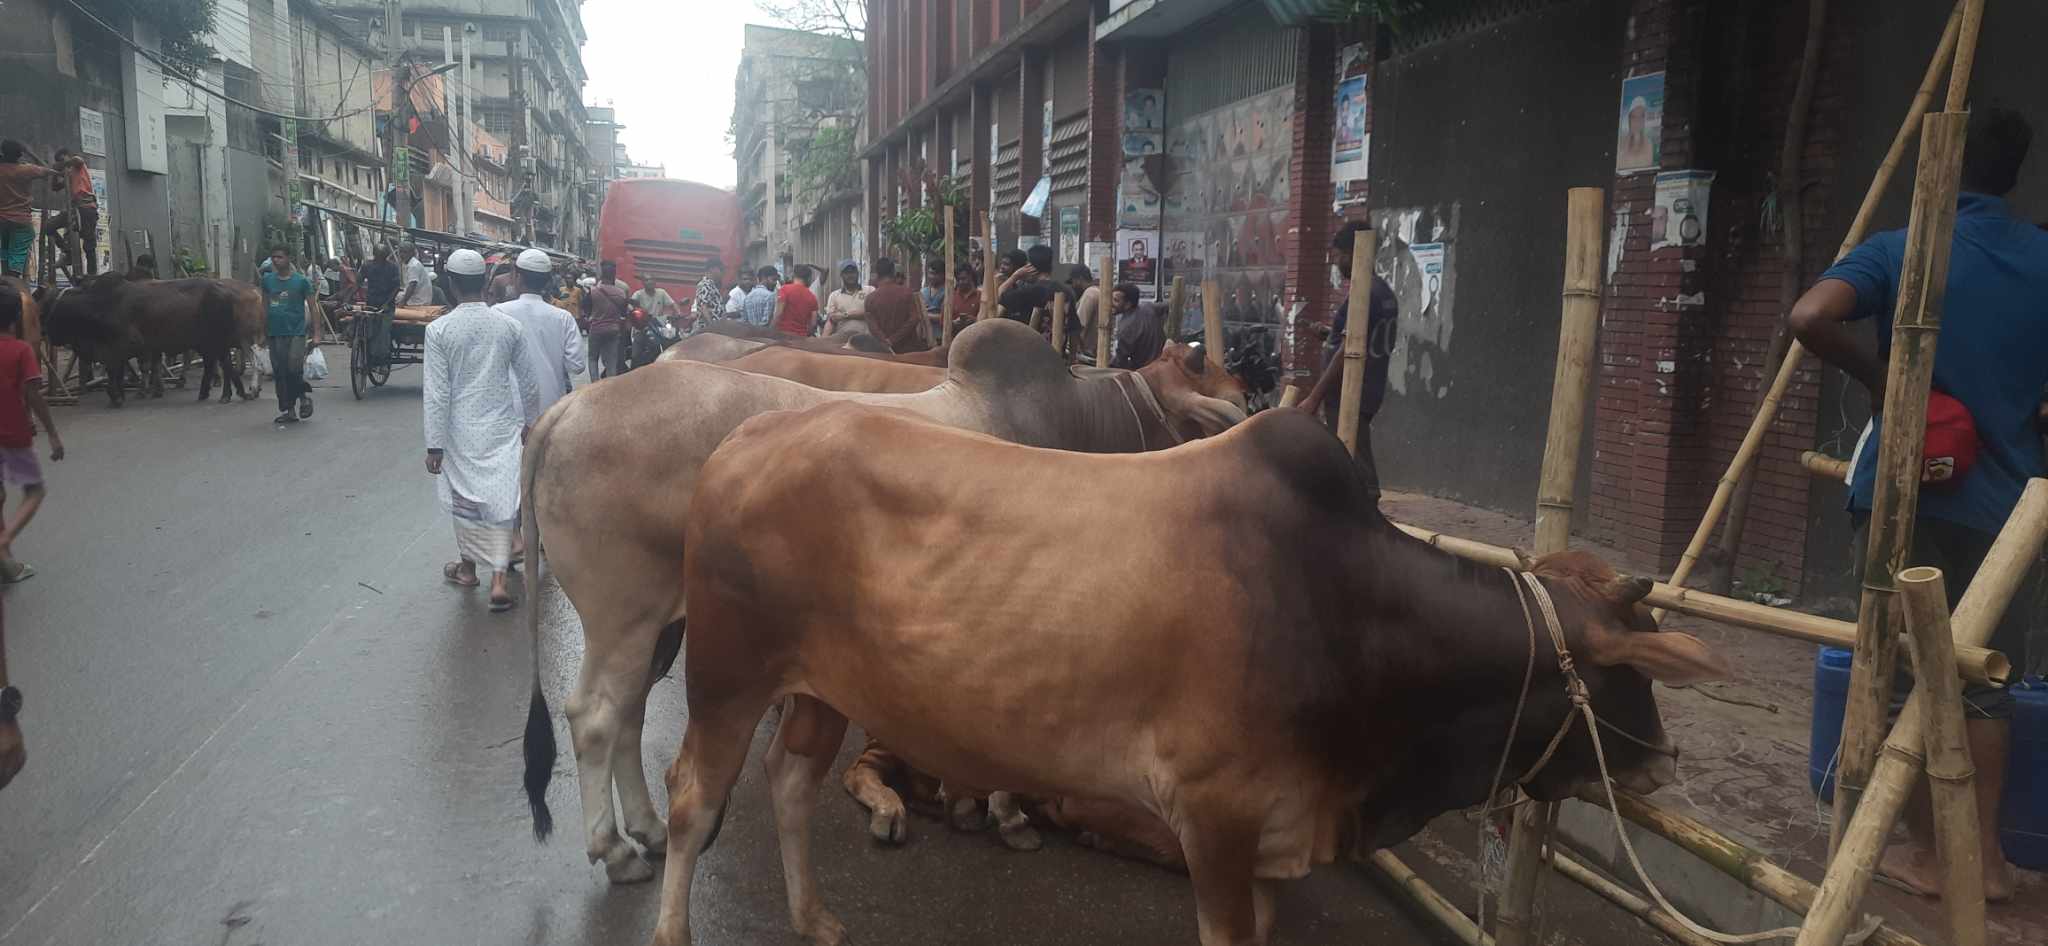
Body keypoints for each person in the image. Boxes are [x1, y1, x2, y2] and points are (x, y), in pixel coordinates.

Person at [1789, 107, 2044, 902]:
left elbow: (1809, 316)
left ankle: (1929, 856)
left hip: (1906, 493)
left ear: (1936, 168)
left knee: (1901, 671)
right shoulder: (2042, 258)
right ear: (2011, 175)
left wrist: (1886, 382)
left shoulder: (1901, 249)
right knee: (1984, 681)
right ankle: (1986, 864)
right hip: (2007, 509)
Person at [423, 248, 540, 612]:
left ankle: (468, 569)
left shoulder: (439, 330)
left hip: (460, 430)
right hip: (502, 426)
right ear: (485, 282)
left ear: (451, 284)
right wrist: (531, 423)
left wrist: (434, 444)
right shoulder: (508, 326)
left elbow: (437, 392)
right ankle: (499, 581)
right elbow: (528, 381)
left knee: (466, 502)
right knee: (502, 504)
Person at [1310, 221, 1401, 480]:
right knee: (1348, 456)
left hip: (1349, 391)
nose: (1336, 262)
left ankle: (1368, 500)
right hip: (1368, 388)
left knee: (1354, 461)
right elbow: (1363, 338)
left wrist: (1314, 397)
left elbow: (1348, 350)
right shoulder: (1383, 291)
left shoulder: (1365, 294)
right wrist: (1330, 335)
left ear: (1352, 254)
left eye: (1338, 256)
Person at [0, 288, 63, 583]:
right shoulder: (22, 350)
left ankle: (6, 562)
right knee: (35, 491)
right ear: (17, 319)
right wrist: (53, 434)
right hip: (13, 435)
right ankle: (3, 543)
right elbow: (34, 396)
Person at [494, 248, 583, 417]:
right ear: (547, 281)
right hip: (552, 411)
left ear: (518, 277)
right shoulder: (563, 317)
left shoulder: (498, 312)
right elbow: (577, 365)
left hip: (510, 410)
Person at [260, 246, 322, 424]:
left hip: (296, 332)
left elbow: (313, 308)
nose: (276, 260)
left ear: (288, 258)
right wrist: (262, 332)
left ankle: (303, 397)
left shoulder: (301, 282)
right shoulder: (267, 281)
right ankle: (289, 410)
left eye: (279, 257)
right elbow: (265, 307)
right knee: (280, 372)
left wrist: (317, 334)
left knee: (293, 369)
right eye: (273, 257)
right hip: (274, 333)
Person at [48, 148, 97, 277]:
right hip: (73, 209)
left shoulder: (79, 166)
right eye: (59, 161)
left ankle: (92, 276)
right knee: (49, 226)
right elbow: (55, 187)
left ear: (68, 156)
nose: (61, 163)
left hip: (86, 207)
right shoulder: (68, 173)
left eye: (62, 159)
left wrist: (61, 165)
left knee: (89, 244)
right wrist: (55, 173)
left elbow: (76, 160)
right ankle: (67, 252)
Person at [580, 260, 632, 379]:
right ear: (614, 275)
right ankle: (610, 385)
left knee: (593, 358)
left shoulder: (593, 291)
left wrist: (592, 316)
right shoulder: (621, 293)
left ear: (602, 275)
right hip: (614, 330)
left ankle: (595, 384)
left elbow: (585, 308)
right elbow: (624, 313)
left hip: (596, 329)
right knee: (611, 361)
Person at [0, 141, 45, 278]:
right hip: (21, 220)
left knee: (5, 252)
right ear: (20, 154)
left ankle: (6, 281)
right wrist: (30, 152)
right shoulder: (27, 169)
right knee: (17, 255)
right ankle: (13, 281)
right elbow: (46, 169)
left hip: (2, 220)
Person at [862, 257, 926, 352]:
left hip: (884, 352)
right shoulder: (907, 293)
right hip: (909, 351)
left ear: (877, 275)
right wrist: (893, 339)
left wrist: (886, 341)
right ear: (893, 273)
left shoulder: (870, 299)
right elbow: (914, 319)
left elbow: (873, 327)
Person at [995, 243, 1058, 324]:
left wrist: (1014, 276)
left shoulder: (1025, 292)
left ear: (1030, 267)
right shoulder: (1065, 291)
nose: (1002, 268)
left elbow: (994, 303)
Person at [1108, 283, 1164, 370]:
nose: (1110, 303)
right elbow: (1168, 306)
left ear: (1128, 304)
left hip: (1144, 370)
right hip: (1161, 363)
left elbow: (1120, 360)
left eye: (1116, 300)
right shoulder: (1148, 307)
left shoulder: (1126, 328)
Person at [824, 260, 869, 335]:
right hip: (841, 339)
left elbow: (870, 313)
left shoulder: (869, 290)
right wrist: (823, 339)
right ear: (841, 275)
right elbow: (831, 320)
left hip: (865, 338)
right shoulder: (834, 296)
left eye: (853, 272)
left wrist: (844, 315)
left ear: (858, 273)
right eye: (847, 273)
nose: (850, 275)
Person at [772, 264, 819, 337]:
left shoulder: (784, 290)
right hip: (801, 338)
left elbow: (778, 313)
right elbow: (813, 323)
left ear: (793, 275)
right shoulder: (812, 297)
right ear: (809, 278)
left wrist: (771, 330)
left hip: (783, 336)